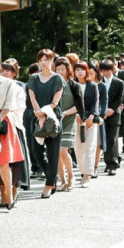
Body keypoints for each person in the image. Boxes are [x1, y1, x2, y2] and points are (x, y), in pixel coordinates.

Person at [0, 54, 25, 211]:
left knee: (2, 164)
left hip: (3, 124)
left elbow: (9, 106)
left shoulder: (9, 83)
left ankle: (7, 196)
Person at [26, 49, 63, 198]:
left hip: (53, 118)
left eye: (46, 59)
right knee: (36, 151)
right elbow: (32, 96)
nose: (43, 62)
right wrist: (38, 112)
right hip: (36, 118)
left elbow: (56, 100)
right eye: (40, 60)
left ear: (52, 61)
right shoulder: (34, 78)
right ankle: (51, 176)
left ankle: (48, 185)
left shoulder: (57, 78)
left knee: (53, 153)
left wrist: (45, 112)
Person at [54, 57, 84, 192]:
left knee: (63, 150)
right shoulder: (53, 85)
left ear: (68, 70)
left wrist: (65, 112)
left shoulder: (74, 85)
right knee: (57, 153)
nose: (60, 72)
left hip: (69, 120)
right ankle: (63, 179)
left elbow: (79, 106)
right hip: (55, 121)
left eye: (62, 69)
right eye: (58, 69)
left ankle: (71, 176)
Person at [2, 59, 30, 191]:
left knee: (15, 162)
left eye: (8, 70)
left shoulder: (18, 88)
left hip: (14, 125)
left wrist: (5, 112)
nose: (5, 73)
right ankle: (4, 192)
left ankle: (14, 190)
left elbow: (20, 108)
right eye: (4, 70)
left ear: (14, 73)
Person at [73, 61, 100, 187]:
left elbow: (96, 102)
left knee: (90, 147)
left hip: (90, 120)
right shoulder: (71, 85)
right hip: (74, 119)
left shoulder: (93, 85)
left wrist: (92, 116)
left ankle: (86, 175)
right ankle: (81, 171)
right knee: (78, 147)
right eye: (77, 70)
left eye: (82, 70)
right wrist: (76, 114)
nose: (80, 72)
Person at [98, 59, 124, 176]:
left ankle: (112, 164)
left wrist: (112, 109)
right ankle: (109, 162)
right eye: (103, 70)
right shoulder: (98, 82)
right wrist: (103, 110)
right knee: (104, 139)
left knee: (112, 139)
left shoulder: (119, 82)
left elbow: (120, 98)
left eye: (107, 70)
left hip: (114, 114)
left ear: (112, 70)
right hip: (102, 114)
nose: (105, 73)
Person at [88, 60, 107, 179]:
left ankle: (95, 167)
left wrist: (101, 115)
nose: (89, 75)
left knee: (97, 144)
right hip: (86, 116)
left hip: (97, 116)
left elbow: (104, 102)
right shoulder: (85, 85)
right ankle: (86, 168)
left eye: (91, 72)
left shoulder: (102, 86)